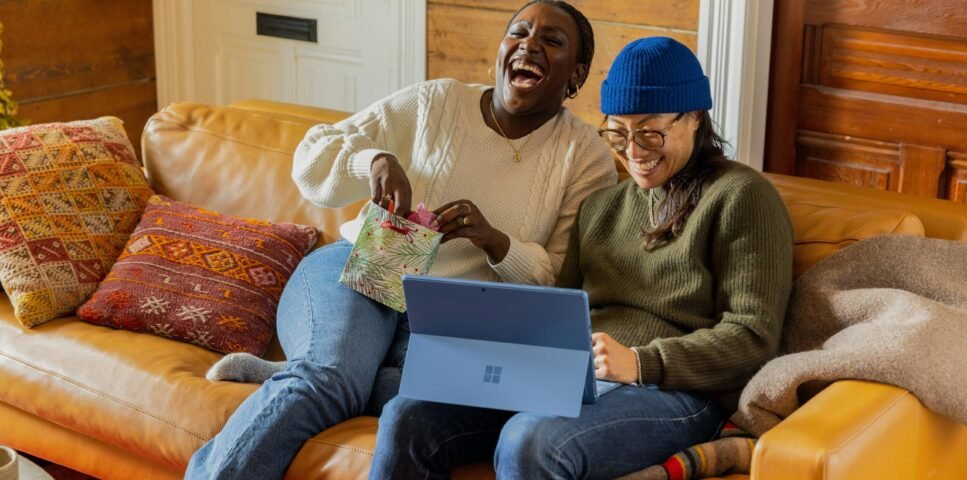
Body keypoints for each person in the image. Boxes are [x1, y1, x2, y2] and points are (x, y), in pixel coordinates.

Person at [184, 1, 617, 479]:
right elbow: (312, 155)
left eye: (551, 41)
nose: (529, 44)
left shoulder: (587, 159)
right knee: (327, 380)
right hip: (361, 266)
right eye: (518, 32)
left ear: (575, 76)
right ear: (501, 50)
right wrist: (373, 161)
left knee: (437, 394)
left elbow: (564, 278)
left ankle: (318, 372)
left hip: (454, 320)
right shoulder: (437, 102)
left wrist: (496, 242)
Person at [370, 36, 794, 479]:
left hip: (677, 390)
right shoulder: (601, 208)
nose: (633, 152)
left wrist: (643, 362)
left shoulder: (742, 196)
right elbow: (560, 311)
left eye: (650, 133)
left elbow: (753, 336)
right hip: (572, 378)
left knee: (530, 439)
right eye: (618, 133)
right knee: (408, 415)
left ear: (693, 118)